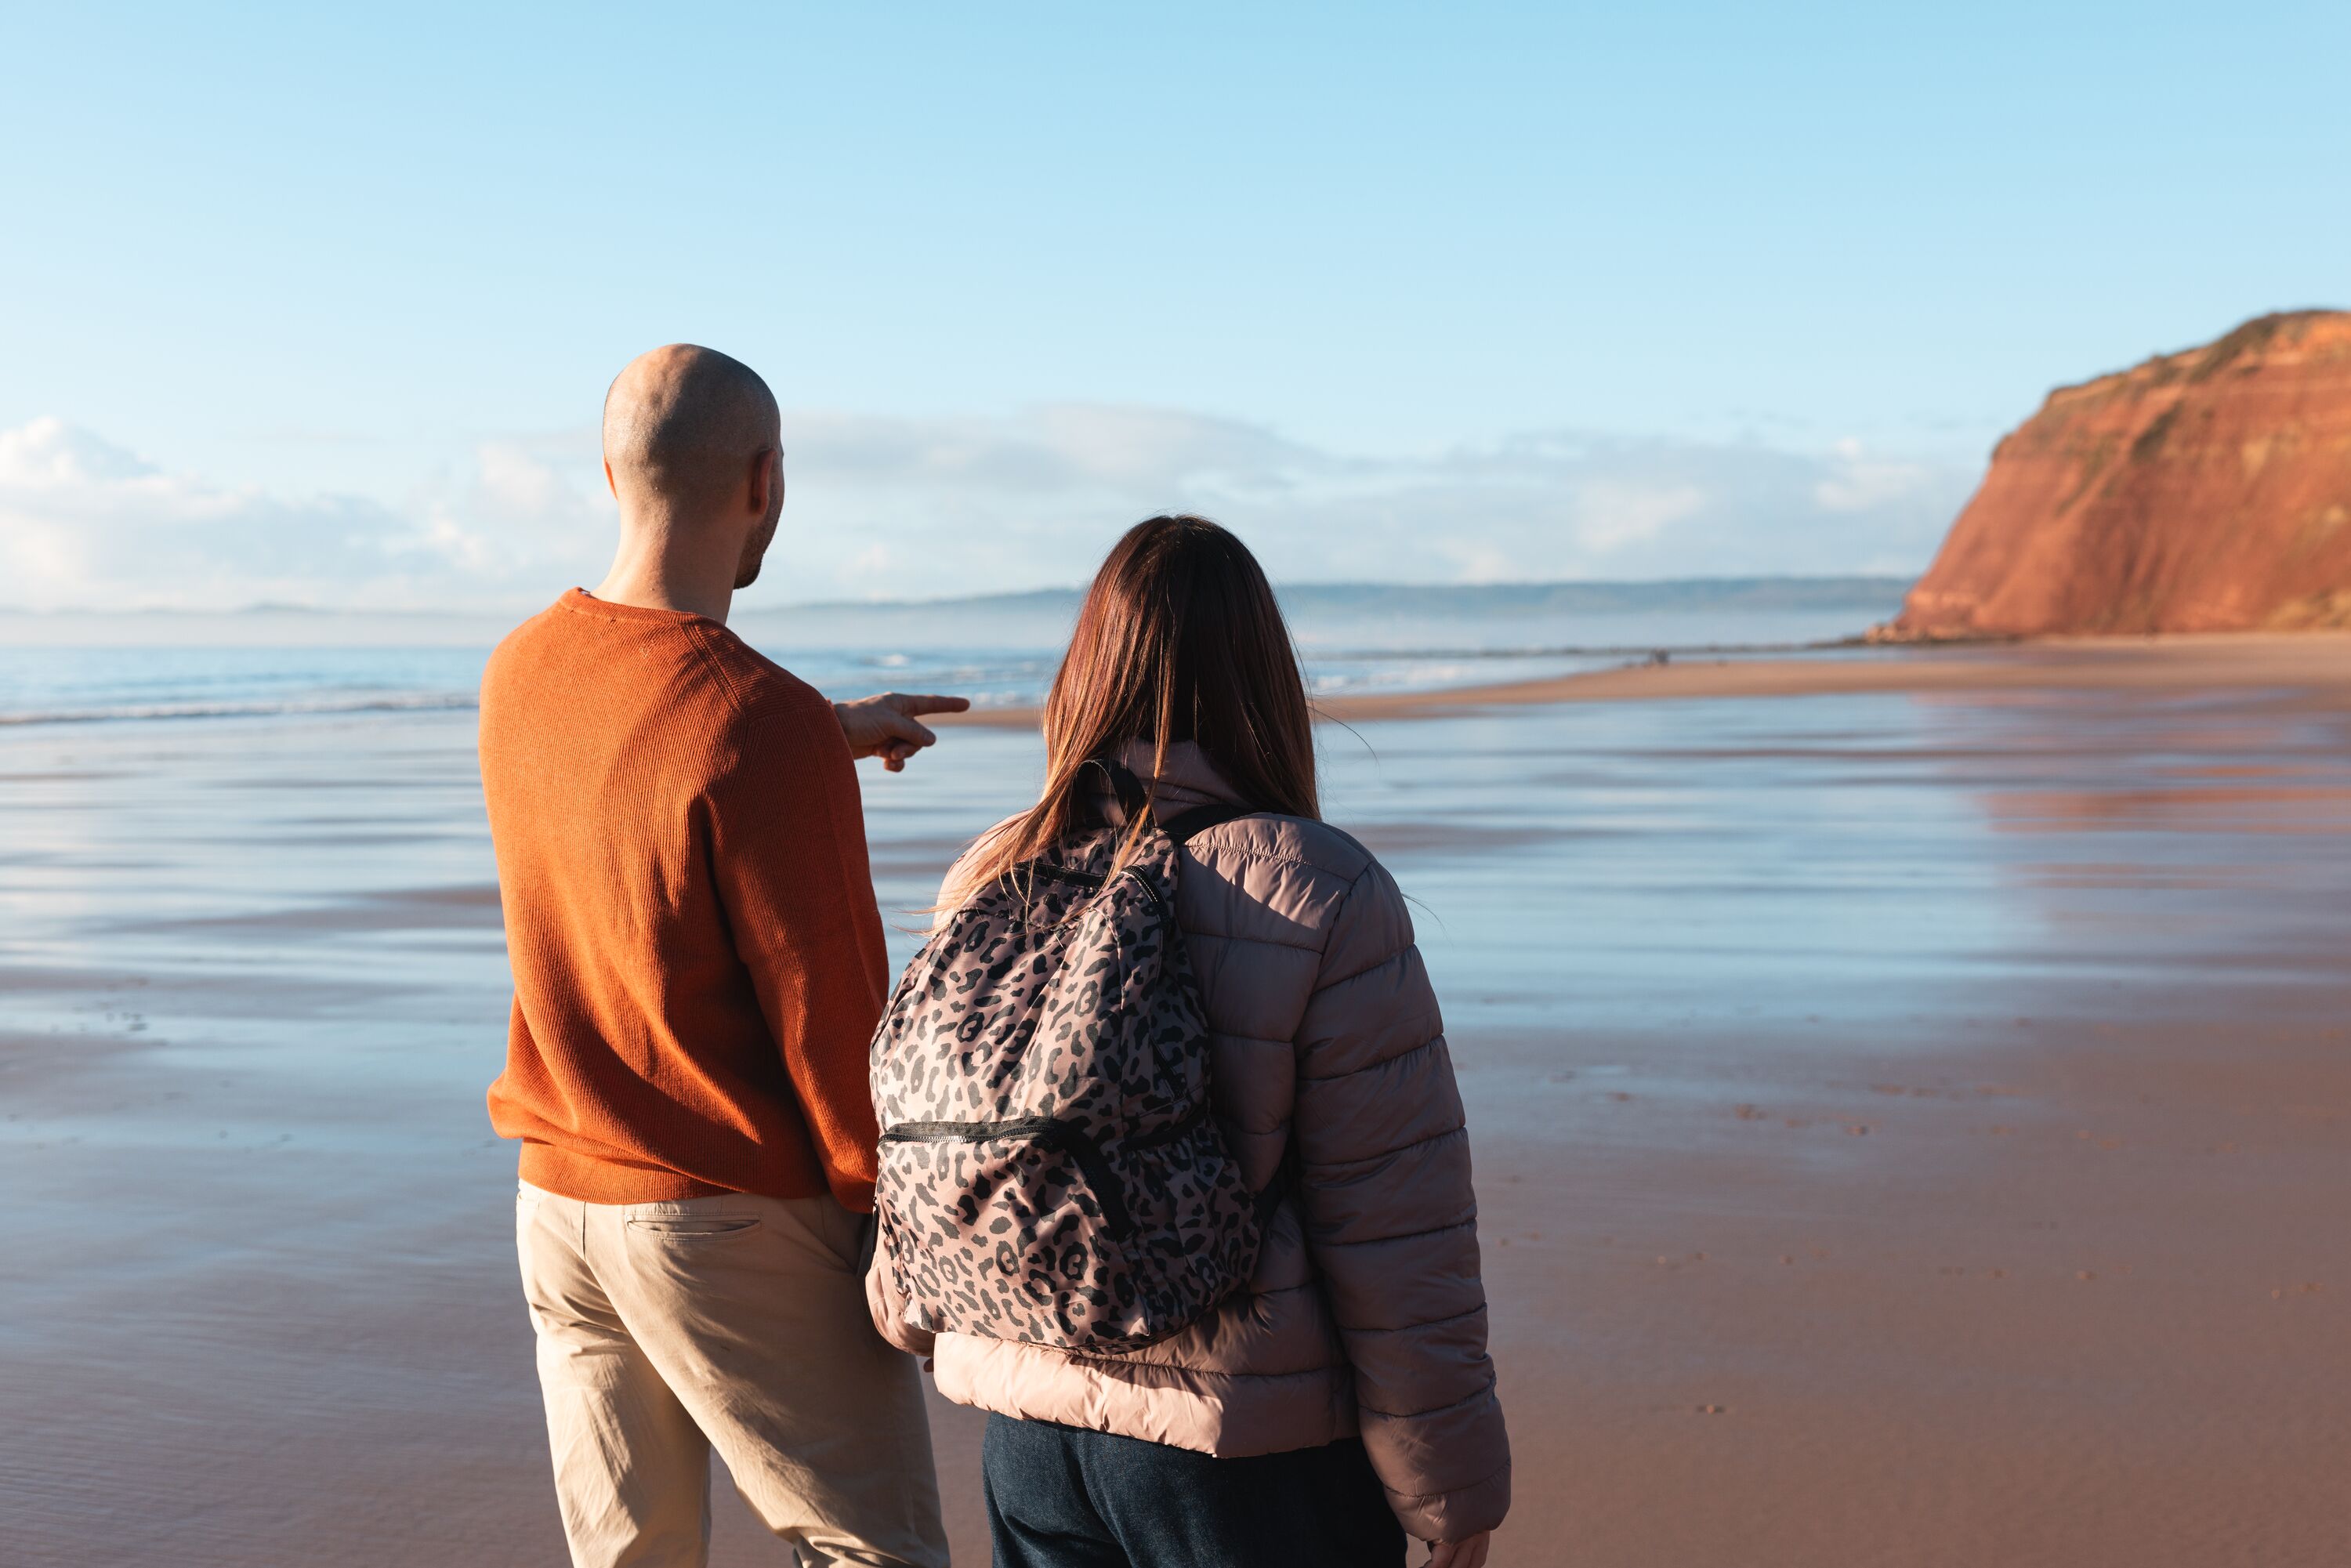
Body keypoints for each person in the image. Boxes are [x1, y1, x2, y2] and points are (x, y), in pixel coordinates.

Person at [869, 515, 1509, 1567]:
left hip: (1031, 1440)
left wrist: (905, 1302)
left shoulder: (996, 871)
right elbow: (1396, 1223)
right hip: (1244, 1455)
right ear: (1263, 679)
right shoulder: (1321, 888)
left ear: (1086, 673)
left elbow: (937, 1117)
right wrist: (1448, 1490)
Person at [479, 344, 962, 1568]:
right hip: (720, 1215)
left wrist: (821, 738)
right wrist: (893, 1228)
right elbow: (838, 1021)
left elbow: (626, 777)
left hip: (557, 1205)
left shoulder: (519, 668)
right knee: (873, 1550)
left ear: (608, 473)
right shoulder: (758, 725)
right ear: (766, 482)